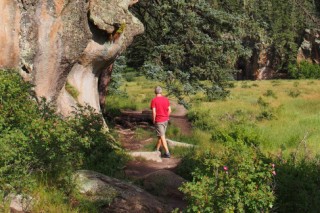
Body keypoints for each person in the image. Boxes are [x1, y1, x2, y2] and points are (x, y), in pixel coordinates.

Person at [150, 86, 171, 158]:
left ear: (155, 92)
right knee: (160, 136)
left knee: (162, 136)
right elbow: (170, 110)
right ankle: (157, 150)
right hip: (166, 120)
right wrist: (166, 116)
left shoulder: (154, 100)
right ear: (161, 92)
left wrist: (153, 120)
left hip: (159, 121)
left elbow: (154, 112)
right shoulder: (166, 99)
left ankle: (167, 152)